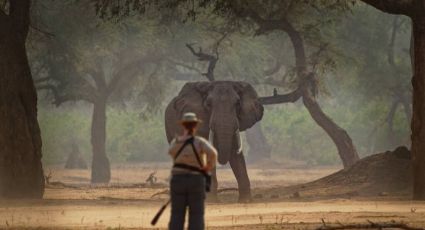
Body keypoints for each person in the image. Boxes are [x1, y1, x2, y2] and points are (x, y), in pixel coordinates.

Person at [168, 112, 217, 230]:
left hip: (178, 180)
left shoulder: (176, 142)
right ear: (195, 126)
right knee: (196, 215)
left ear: (183, 126)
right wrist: (207, 167)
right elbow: (213, 154)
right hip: (196, 180)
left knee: (176, 215)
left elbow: (171, 152)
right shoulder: (200, 142)